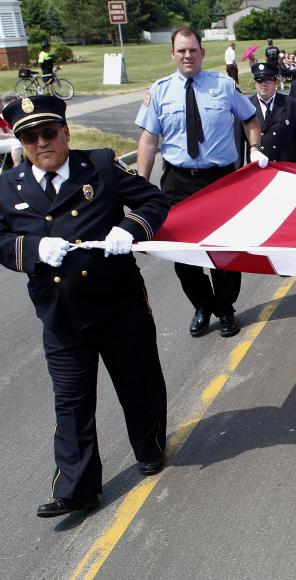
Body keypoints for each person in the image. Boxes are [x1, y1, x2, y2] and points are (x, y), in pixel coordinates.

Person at [0, 96, 169, 518]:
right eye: (29, 136)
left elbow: (154, 201)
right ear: (20, 141)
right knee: (71, 402)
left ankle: (149, 448)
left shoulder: (101, 164)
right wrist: (34, 248)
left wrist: (129, 228)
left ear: (65, 132)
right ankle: (77, 489)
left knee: (139, 383)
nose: (41, 143)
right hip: (61, 315)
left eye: (48, 133)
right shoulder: (7, 187)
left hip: (118, 305)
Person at [136, 27, 266, 339]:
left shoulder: (224, 85)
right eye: (181, 50)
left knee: (225, 251)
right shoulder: (160, 91)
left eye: (193, 49)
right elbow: (148, 140)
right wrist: (140, 186)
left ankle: (225, 309)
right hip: (178, 181)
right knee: (181, 253)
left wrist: (255, 148)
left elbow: (250, 119)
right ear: (172, 54)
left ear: (202, 52)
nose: (188, 55)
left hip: (220, 180)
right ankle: (202, 306)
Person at [240, 63, 296, 162]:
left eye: (268, 80)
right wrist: (238, 172)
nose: (263, 84)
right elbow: (239, 142)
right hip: (258, 166)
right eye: (259, 80)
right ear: (255, 83)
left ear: (275, 82)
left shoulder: (291, 103)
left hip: (284, 165)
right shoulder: (245, 105)